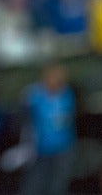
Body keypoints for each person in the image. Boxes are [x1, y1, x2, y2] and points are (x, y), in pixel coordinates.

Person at [19, 63, 77, 195]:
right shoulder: (34, 95)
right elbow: (23, 117)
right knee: (34, 184)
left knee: (57, 186)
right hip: (39, 149)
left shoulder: (67, 94)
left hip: (63, 148)